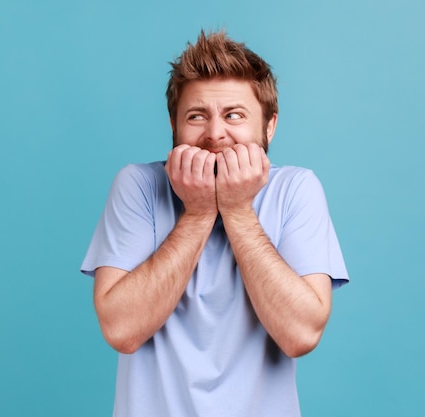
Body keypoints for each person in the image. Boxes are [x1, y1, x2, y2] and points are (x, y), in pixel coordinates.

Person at [81, 30, 349, 417]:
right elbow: (121, 331)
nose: (214, 134)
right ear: (173, 125)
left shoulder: (296, 189)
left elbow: (300, 335)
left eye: (234, 115)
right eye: (196, 116)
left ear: (269, 126)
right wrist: (199, 212)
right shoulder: (138, 185)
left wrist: (238, 210)